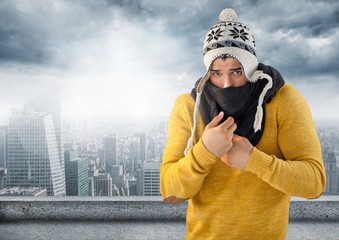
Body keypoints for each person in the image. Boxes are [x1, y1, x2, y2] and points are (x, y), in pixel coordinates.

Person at [160, 8, 326, 240]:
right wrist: (204, 152)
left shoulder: (284, 100)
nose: (226, 83)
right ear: (208, 71)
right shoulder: (188, 106)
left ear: (250, 67)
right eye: (216, 73)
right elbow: (171, 194)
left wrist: (254, 161)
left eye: (236, 71)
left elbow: (314, 184)